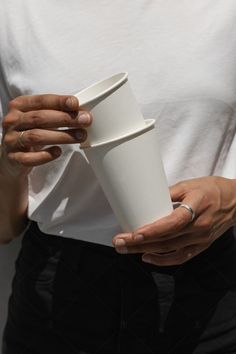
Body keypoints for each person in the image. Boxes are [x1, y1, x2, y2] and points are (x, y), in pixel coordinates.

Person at [1, 1, 236, 353]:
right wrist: (10, 165)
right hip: (58, 297)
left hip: (209, 288)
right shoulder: (15, 13)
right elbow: (4, 227)